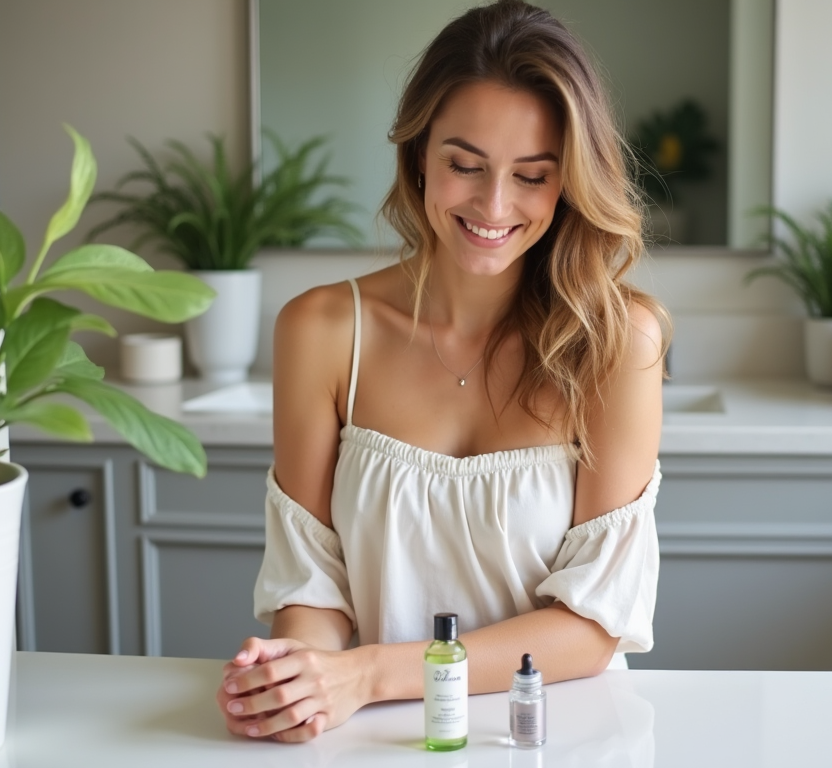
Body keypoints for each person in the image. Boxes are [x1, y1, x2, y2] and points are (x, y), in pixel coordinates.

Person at [216, 0, 671, 743]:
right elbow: (312, 583)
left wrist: (368, 674)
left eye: (532, 175)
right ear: (418, 154)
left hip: (561, 736)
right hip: (378, 739)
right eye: (465, 165)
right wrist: (299, 676)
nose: (494, 205)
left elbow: (593, 626)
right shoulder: (325, 330)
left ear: (569, 183)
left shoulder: (617, 344)